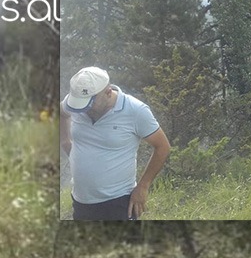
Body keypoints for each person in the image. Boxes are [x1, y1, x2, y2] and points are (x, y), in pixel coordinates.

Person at [60, 67, 171, 220]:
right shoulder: (76, 103)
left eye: (89, 104)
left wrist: (143, 186)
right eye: (80, 104)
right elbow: (62, 113)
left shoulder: (135, 110)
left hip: (118, 203)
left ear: (108, 92)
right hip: (81, 202)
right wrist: (65, 142)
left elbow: (162, 147)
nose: (84, 110)